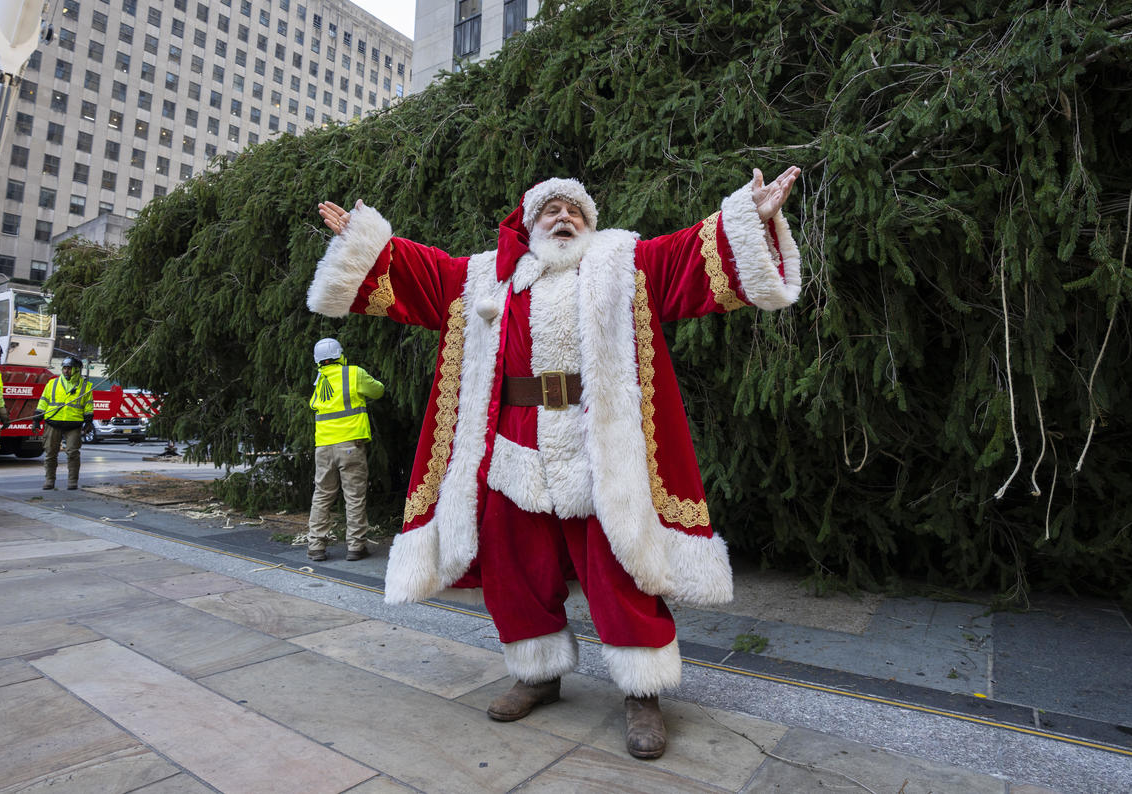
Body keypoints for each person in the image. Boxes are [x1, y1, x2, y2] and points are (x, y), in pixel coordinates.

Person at [308, 167, 802, 759]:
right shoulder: (486, 276)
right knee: (515, 567)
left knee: (618, 569)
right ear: (529, 222)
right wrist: (366, 242)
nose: (564, 219)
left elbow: (693, 260)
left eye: (575, 212)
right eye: (551, 211)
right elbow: (420, 275)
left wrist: (750, 216)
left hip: (599, 448)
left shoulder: (626, 263)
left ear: (590, 225)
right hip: (515, 448)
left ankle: (642, 692)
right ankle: (537, 672)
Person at [307, 336, 385, 562]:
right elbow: (377, 390)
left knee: (322, 496)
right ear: (339, 355)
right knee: (354, 497)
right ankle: (355, 547)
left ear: (318, 360)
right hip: (350, 445)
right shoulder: (354, 373)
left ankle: (316, 547)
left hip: (323, 447)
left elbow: (314, 405)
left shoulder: (321, 380)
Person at [32, 356, 93, 491]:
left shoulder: (86, 386)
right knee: (50, 453)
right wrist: (36, 419)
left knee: (73, 453)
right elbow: (43, 402)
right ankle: (49, 480)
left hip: (74, 424)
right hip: (53, 422)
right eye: (64, 368)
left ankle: (72, 481)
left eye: (69, 368)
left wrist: (88, 422)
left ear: (77, 370)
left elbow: (88, 406)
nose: (66, 371)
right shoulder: (52, 383)